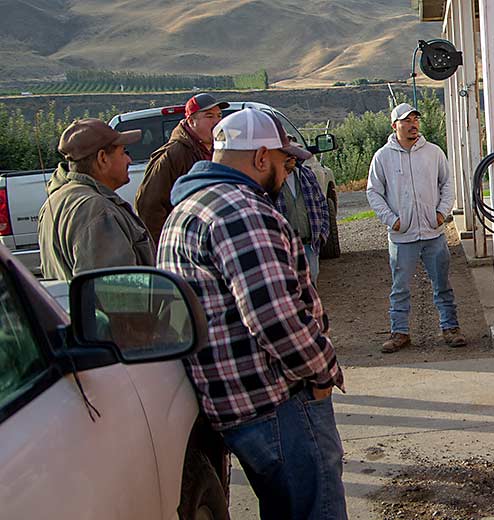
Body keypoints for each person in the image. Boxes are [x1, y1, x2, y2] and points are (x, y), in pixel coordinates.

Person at [157, 108, 347, 519]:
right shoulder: (242, 211)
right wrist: (323, 372)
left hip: (234, 403)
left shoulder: (187, 209)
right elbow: (274, 317)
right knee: (317, 509)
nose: (287, 170)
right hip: (277, 403)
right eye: (284, 161)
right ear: (261, 158)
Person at [366, 102, 465, 353]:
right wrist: (392, 220)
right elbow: (374, 192)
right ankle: (399, 332)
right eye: (406, 121)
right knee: (400, 287)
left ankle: (450, 328)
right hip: (402, 237)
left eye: (415, 120)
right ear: (394, 125)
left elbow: (447, 184)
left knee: (442, 283)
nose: (413, 125)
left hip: (433, 234)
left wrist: (441, 213)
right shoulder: (383, 157)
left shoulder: (433, 152)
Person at [38, 118, 153, 280]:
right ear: (102, 158)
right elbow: (117, 294)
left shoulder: (56, 200)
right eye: (123, 152)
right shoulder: (96, 210)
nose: (129, 160)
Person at [136, 93, 228, 250]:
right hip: (182, 246)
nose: (217, 122)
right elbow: (149, 207)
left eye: (219, 115)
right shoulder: (173, 154)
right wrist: (164, 249)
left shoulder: (218, 150)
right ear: (191, 121)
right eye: (209, 116)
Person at [274, 138, 330, 283]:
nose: (292, 157)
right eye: (288, 153)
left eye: (295, 154)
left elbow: (322, 204)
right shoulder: (271, 181)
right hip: (283, 249)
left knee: (311, 289)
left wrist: (322, 234)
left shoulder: (307, 175)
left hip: (309, 245)